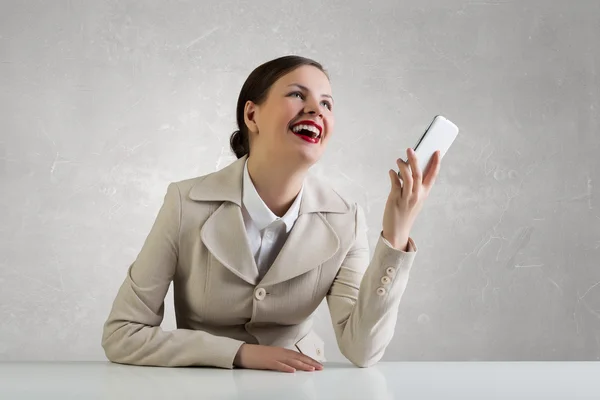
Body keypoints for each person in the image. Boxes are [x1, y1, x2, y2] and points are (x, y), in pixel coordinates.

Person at [101, 55, 441, 373]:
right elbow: (122, 334)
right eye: (297, 94)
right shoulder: (184, 202)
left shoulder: (345, 219)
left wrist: (397, 233)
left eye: (326, 103)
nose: (316, 110)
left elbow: (363, 349)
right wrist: (239, 354)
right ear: (252, 116)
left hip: (298, 384)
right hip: (207, 386)